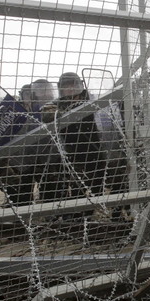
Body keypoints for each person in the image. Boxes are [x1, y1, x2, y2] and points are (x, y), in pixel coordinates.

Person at [39, 73, 104, 214]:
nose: (71, 88)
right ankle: (80, 218)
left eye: (74, 84)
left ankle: (91, 214)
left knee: (97, 185)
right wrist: (61, 113)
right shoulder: (57, 104)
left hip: (96, 148)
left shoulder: (92, 99)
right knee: (78, 188)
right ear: (61, 88)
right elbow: (46, 115)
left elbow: (106, 113)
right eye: (67, 86)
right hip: (74, 152)